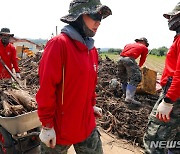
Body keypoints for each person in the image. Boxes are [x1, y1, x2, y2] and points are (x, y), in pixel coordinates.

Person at [36, 0, 112, 153]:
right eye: (94, 16)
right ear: (77, 16)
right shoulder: (59, 44)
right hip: (61, 129)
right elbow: (46, 88)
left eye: (101, 18)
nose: (98, 22)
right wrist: (47, 125)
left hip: (86, 125)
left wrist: (91, 104)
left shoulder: (91, 50)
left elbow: (90, 84)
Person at [143, 2, 180, 154]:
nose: (169, 19)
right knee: (175, 140)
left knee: (154, 138)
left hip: (174, 94)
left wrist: (168, 100)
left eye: (173, 16)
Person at [117, 37, 149, 105]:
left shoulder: (128, 44)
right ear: (144, 42)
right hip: (129, 60)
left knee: (123, 78)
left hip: (119, 59)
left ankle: (125, 95)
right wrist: (139, 66)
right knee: (136, 77)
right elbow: (142, 59)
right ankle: (129, 98)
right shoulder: (144, 47)